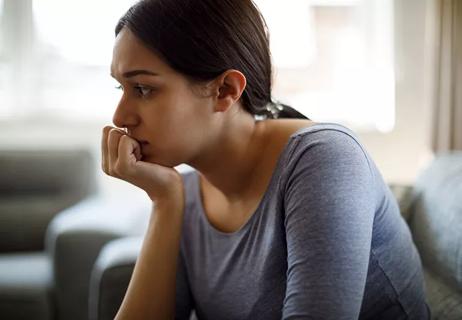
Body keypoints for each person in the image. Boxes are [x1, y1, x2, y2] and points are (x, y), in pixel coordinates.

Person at [101, 0, 431, 319]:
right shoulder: (184, 192)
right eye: (120, 89)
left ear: (226, 90)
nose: (120, 116)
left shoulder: (323, 159)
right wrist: (165, 202)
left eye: (143, 89)